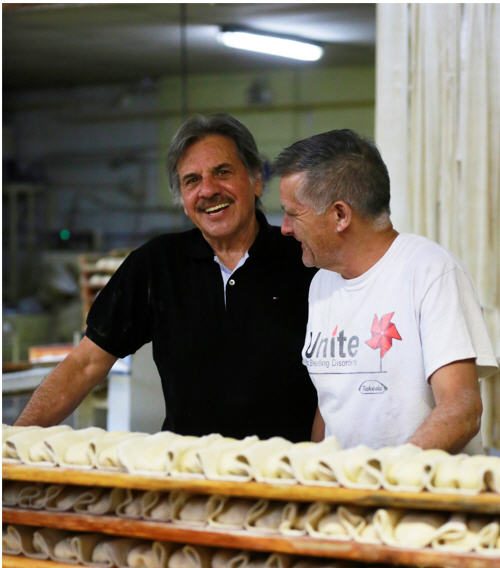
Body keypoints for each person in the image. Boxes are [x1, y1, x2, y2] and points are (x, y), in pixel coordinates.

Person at [15, 114, 317, 440]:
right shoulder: (157, 265)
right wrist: (12, 445)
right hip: (186, 475)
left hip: (284, 474)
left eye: (223, 172)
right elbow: (85, 364)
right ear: (183, 201)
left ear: (255, 180)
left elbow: (341, 382)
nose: (208, 190)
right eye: (191, 181)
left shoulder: (304, 259)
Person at [273, 128, 498, 453]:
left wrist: (389, 475)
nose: (284, 227)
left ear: (340, 215)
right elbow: (331, 404)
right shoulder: (322, 282)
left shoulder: (429, 271)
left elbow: (461, 410)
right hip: (347, 498)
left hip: (418, 497)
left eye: (294, 213)